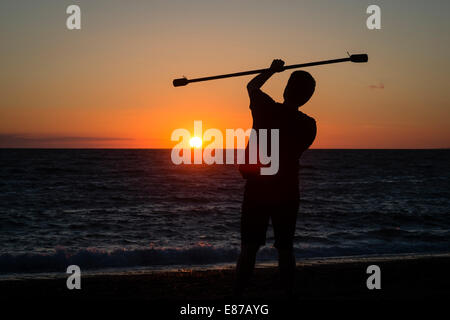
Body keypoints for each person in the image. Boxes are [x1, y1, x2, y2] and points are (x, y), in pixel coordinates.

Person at [234, 59, 317, 297]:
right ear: (307, 97)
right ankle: (287, 294)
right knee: (285, 248)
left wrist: (271, 70)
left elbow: (251, 86)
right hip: (288, 191)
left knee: (249, 248)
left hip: (258, 189)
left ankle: (237, 297)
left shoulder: (266, 108)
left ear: (286, 89)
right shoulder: (309, 125)